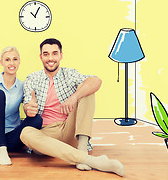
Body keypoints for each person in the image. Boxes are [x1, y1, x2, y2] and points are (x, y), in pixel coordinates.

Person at [20, 38, 124, 176]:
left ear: (61, 55)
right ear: (41, 57)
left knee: (87, 88)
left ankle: (82, 149)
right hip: (46, 135)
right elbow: (27, 104)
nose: (50, 58)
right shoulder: (32, 78)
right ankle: (91, 160)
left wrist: (74, 97)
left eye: (54, 53)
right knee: (25, 133)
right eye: (46, 54)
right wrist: (28, 108)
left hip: (69, 128)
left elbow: (96, 81)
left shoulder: (69, 74)